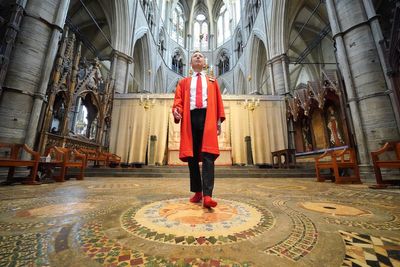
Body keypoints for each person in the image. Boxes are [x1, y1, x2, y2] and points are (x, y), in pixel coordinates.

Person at [172, 51, 225, 208]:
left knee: (208, 155)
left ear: (204, 62)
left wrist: (218, 121)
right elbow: (178, 101)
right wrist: (176, 110)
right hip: (190, 118)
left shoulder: (212, 81)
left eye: (200, 56)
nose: (197, 57)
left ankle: (208, 195)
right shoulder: (184, 82)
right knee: (192, 157)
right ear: (190, 63)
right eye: (194, 55)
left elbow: (218, 102)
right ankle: (198, 192)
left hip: (207, 118)